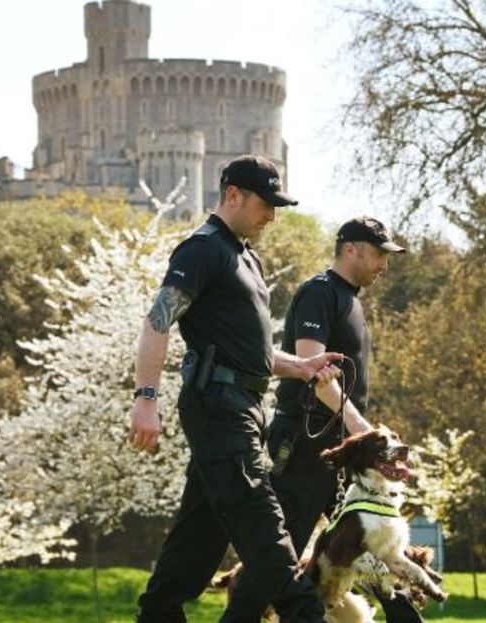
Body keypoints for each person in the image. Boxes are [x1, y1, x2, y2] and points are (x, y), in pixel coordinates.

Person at [129, 154, 342, 623]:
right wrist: (146, 398)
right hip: (218, 408)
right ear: (232, 196)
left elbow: (252, 354)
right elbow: (157, 323)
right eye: (266, 205)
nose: (272, 215)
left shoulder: (246, 257)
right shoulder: (201, 250)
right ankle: (306, 616)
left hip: (243, 406)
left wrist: (301, 367)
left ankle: (157, 615)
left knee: (197, 540)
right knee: (261, 522)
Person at [226, 216, 423, 622]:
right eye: (379, 253)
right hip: (305, 446)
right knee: (280, 553)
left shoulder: (352, 301)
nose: (385, 264)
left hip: (344, 452)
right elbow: (314, 372)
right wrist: (360, 429)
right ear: (351, 248)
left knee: (374, 544)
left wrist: (357, 440)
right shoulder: (319, 294)